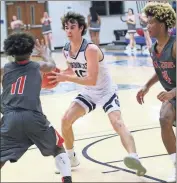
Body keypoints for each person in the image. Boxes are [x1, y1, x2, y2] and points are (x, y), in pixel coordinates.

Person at [49, 11, 146, 177]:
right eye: (66, 27)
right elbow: (72, 70)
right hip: (88, 93)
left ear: (81, 29)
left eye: (72, 27)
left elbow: (91, 79)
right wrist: (56, 74)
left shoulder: (91, 49)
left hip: (106, 92)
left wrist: (66, 78)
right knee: (65, 120)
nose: (69, 30)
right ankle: (71, 157)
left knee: (117, 122)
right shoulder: (66, 49)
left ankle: (134, 157)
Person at [0, 32, 72, 183]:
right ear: (30, 50)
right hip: (34, 117)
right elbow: (52, 65)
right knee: (58, 147)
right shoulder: (39, 66)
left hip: (10, 119)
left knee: (2, 156)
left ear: (11, 52)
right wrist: (45, 53)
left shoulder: (4, 69)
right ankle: (67, 179)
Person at [136, 2, 176, 182]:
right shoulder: (154, 49)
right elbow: (159, 69)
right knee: (163, 118)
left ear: (162, 24)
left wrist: (172, 92)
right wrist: (147, 86)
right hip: (173, 95)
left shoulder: (175, 45)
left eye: (151, 22)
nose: (147, 26)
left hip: (174, 93)